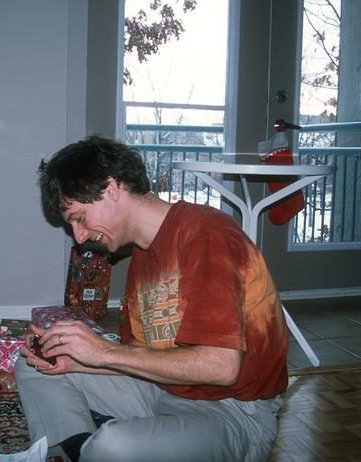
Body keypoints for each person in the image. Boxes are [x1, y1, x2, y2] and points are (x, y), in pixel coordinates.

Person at [15, 135, 288, 462]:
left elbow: (222, 367)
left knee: (112, 445)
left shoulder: (206, 235)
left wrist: (102, 351)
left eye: (79, 217)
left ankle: (92, 451)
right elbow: (141, 357)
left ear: (111, 189)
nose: (80, 236)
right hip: (165, 389)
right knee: (34, 367)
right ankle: (72, 453)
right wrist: (75, 362)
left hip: (233, 410)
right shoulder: (142, 257)